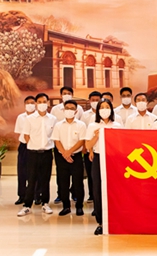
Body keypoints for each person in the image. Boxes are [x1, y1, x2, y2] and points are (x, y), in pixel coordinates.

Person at [85, 99, 123, 235]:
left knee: (115, 189)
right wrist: (96, 136)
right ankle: (101, 222)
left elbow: (122, 143)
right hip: (98, 158)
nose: (104, 110)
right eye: (102, 107)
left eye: (107, 107)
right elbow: (88, 146)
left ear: (111, 109)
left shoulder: (117, 125)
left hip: (113, 159)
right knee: (98, 189)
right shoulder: (93, 125)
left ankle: (116, 219)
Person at [18, 93, 57, 217]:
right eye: (39, 102)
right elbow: (26, 136)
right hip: (33, 153)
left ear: (48, 103)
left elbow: (54, 136)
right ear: (36, 104)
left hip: (47, 153)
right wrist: (34, 145)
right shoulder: (29, 119)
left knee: (45, 179)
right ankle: (27, 206)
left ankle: (45, 203)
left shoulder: (53, 119)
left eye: (44, 101)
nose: (42, 104)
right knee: (31, 179)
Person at [51, 100, 87, 217]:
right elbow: (56, 141)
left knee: (78, 183)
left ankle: (79, 206)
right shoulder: (58, 125)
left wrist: (69, 152)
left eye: (72, 108)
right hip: (62, 157)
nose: (69, 110)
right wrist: (65, 154)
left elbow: (81, 141)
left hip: (76, 157)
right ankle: (66, 206)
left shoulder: (81, 125)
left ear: (76, 111)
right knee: (63, 183)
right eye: (67, 108)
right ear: (63, 110)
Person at [13, 96, 36, 205]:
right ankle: (21, 195)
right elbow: (19, 132)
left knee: (35, 173)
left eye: (32, 103)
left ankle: (36, 195)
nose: (30, 105)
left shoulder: (38, 117)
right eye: (28, 103)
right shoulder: (21, 117)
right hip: (24, 146)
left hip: (35, 147)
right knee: (22, 171)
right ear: (24, 105)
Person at [82, 91, 102, 204]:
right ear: (89, 101)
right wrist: (88, 150)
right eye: (93, 100)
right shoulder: (86, 116)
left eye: (97, 100)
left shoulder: (115, 119)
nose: (95, 102)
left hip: (107, 152)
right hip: (92, 149)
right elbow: (86, 133)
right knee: (92, 174)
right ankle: (92, 195)